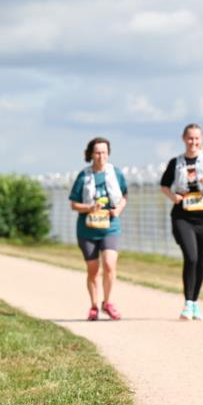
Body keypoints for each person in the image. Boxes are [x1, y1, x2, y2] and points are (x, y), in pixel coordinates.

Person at [159, 123, 203, 320]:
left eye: (196, 138)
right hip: (183, 216)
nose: (193, 142)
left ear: (201, 139)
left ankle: (195, 302)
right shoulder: (176, 162)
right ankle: (187, 303)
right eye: (190, 138)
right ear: (184, 139)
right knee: (191, 257)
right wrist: (173, 197)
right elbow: (164, 185)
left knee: (201, 261)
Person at [69, 137, 128, 321]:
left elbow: (124, 195)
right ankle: (94, 305)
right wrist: (89, 207)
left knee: (109, 264)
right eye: (97, 153)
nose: (101, 156)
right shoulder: (84, 176)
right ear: (91, 154)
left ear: (108, 154)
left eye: (104, 152)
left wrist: (118, 209)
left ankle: (107, 302)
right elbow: (74, 204)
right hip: (88, 229)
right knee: (93, 269)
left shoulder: (116, 173)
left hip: (110, 226)